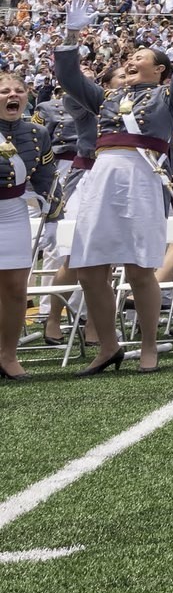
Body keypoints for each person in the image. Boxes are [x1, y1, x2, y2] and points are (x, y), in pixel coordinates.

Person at [53, 0, 173, 374]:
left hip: (141, 179)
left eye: (141, 57)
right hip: (101, 179)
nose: (131, 60)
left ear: (160, 70)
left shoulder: (169, 98)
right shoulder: (107, 97)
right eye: (130, 57)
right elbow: (69, 77)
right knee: (89, 269)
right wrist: (72, 34)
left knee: (139, 269)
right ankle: (108, 346)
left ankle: (149, 345)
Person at [0, 71, 55, 382]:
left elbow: (46, 177)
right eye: (5, 91)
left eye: (18, 90)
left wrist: (54, 216)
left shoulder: (38, 133)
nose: (13, 95)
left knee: (16, 288)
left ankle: (8, 355)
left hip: (14, 213)